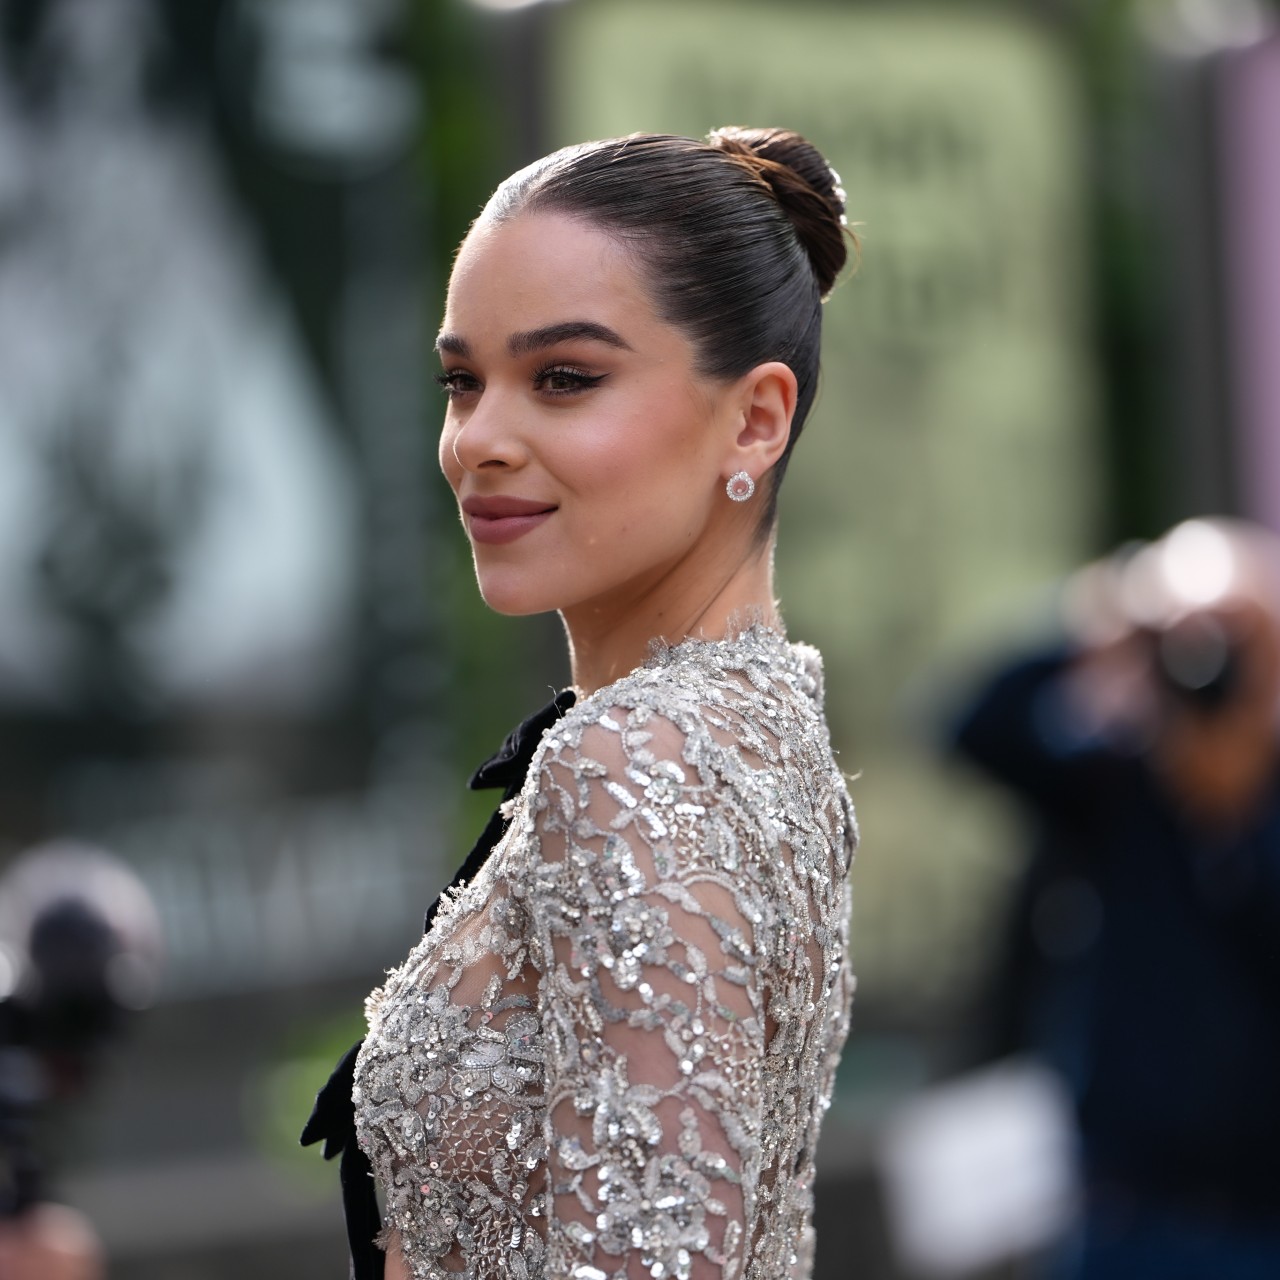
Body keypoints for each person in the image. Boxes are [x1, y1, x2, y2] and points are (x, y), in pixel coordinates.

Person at [301, 127, 859, 1280]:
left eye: (563, 377)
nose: (477, 441)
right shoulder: (760, 726)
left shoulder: (634, 756)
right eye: (463, 381)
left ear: (754, 418)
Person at [948, 518, 1280, 1280]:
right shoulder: (1112, 784)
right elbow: (972, 725)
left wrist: (1237, 801)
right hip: (1128, 1225)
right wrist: (1114, 609)